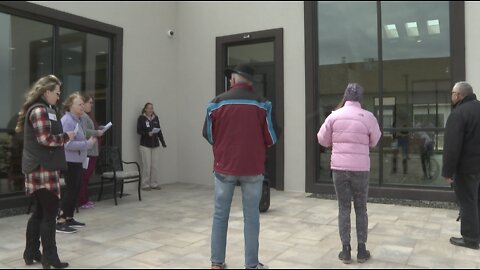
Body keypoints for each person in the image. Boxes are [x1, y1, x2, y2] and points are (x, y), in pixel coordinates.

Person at [202, 64, 278, 269]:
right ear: (250, 82)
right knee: (251, 216)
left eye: (230, 78)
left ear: (234, 81)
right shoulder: (263, 104)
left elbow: (208, 134)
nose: (229, 81)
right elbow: (271, 137)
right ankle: (252, 265)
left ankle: (216, 263)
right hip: (252, 168)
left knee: (220, 214)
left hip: (223, 166)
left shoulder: (215, 103)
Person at [317, 83, 381, 264]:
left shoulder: (334, 116)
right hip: (360, 169)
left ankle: (345, 251)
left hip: (339, 168)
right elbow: (375, 140)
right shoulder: (368, 117)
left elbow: (322, 139)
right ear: (361, 98)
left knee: (343, 207)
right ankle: (361, 250)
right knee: (361, 208)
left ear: (345, 96)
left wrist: (333, 141)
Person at [16, 74, 74, 268]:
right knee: (50, 214)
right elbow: (45, 139)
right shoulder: (40, 110)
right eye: (57, 93)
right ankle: (50, 257)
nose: (59, 97)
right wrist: (66, 136)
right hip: (42, 170)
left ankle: (31, 251)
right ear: (46, 92)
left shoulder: (47, 109)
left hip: (42, 168)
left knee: (40, 212)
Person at [443, 81, 480, 250]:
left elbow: (453, 146)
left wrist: (448, 172)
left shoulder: (459, 114)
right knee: (476, 201)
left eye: (452, 93)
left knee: (467, 202)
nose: (451, 96)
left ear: (458, 95)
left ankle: (471, 239)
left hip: (466, 168)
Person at [57, 92, 96, 233]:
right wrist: (87, 144)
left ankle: (69, 217)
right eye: (79, 104)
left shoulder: (77, 120)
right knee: (71, 190)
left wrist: (86, 143)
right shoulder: (68, 120)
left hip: (77, 160)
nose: (82, 106)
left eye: (81, 104)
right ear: (70, 106)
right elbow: (66, 144)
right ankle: (60, 221)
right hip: (70, 161)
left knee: (75, 188)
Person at [77, 94, 104, 209]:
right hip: (88, 151)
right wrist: (97, 133)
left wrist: (99, 129)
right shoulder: (83, 116)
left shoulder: (87, 116)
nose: (91, 105)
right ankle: (82, 201)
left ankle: (85, 199)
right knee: (84, 177)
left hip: (92, 150)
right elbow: (84, 132)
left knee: (86, 177)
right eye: (90, 103)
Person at [136, 102, 167, 191]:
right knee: (147, 165)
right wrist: (147, 133)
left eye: (152, 108)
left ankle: (154, 184)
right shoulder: (141, 118)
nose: (150, 110)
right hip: (145, 145)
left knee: (154, 166)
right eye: (149, 108)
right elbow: (138, 131)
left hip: (155, 145)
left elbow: (159, 131)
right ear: (145, 109)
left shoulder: (155, 118)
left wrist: (163, 142)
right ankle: (145, 185)